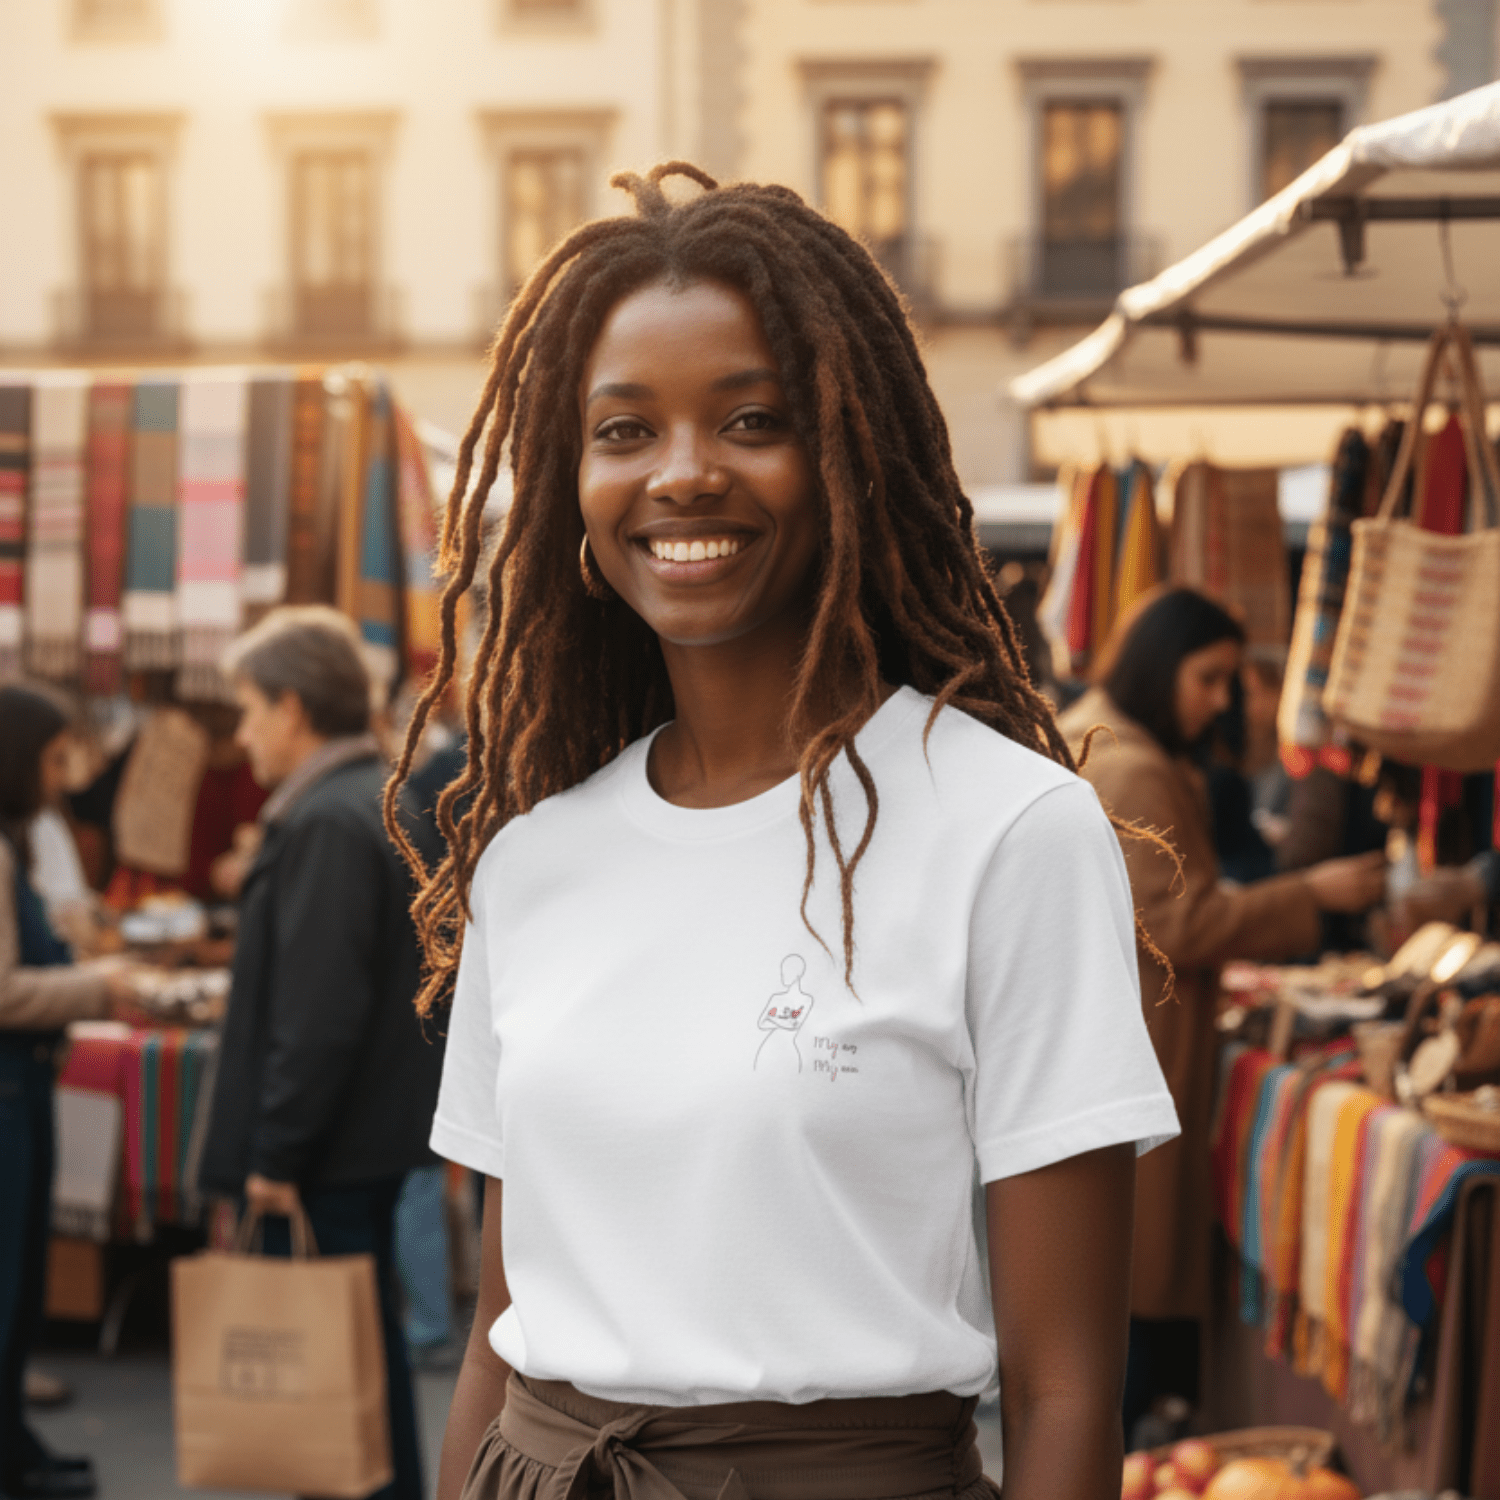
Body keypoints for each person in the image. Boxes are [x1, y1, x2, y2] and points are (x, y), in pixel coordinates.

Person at [389, 162, 1183, 1500]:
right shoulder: (533, 862)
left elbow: (1065, 1392)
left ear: (849, 455)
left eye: (752, 419)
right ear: (573, 484)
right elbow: (497, 1337)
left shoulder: (1011, 832)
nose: (683, 473)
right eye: (624, 430)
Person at [1056, 587, 1387, 1436]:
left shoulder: (1103, 735)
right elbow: (1180, 923)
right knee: (1127, 1292)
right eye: (1209, 678)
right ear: (1163, 664)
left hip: (1121, 1037)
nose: (1218, 701)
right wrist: (1310, 893)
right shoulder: (1132, 763)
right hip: (1143, 1041)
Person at [197, 607, 444, 1500]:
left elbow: (318, 1017)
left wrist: (275, 1157)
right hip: (357, 1146)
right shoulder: (366, 799)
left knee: (338, 1391)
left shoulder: (330, 820)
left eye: (250, 710)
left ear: (293, 708)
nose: (244, 734)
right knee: (360, 1378)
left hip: (327, 1157)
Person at [0, 686, 140, 1500]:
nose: (61, 779)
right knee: (9, 1279)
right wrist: (99, 987)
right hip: (8, 1095)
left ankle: (15, 1448)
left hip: (21, 1091)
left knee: (20, 1281)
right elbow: (3, 991)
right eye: (53, 760)